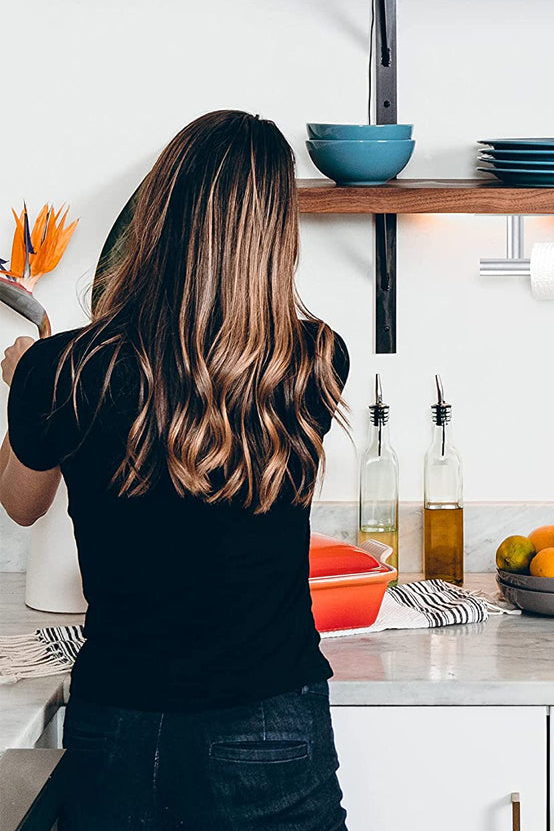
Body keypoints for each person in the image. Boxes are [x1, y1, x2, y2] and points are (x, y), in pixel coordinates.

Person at [0, 110, 351, 831]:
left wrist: (24, 390)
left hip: (119, 722)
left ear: (156, 213)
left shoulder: (62, 369)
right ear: (276, 236)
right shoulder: (315, 360)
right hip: (270, 718)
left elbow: (20, 502)